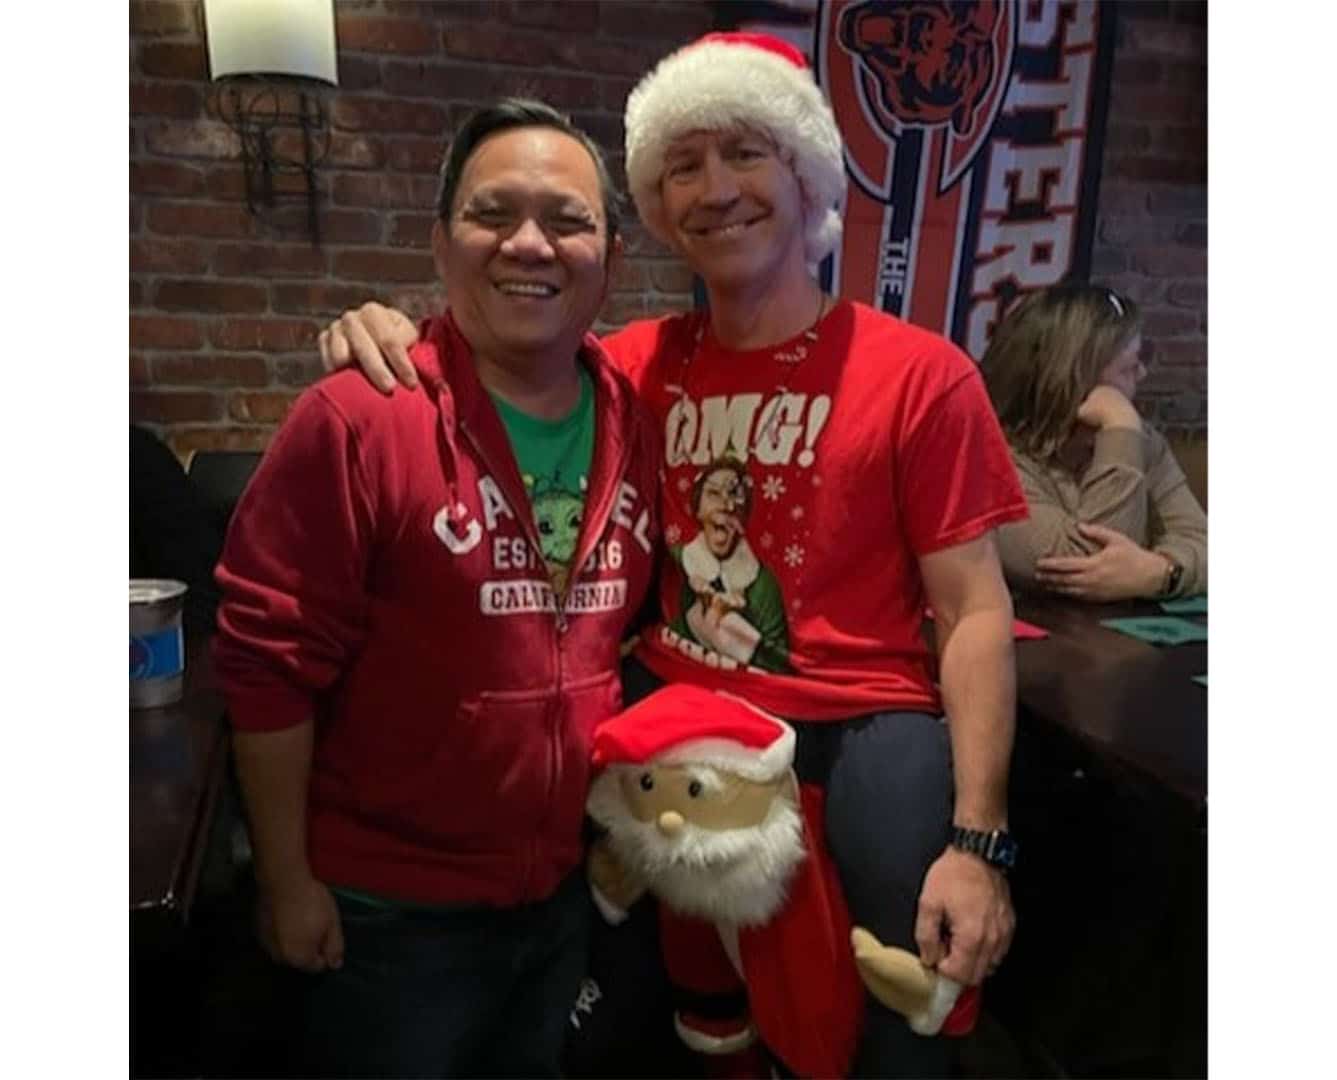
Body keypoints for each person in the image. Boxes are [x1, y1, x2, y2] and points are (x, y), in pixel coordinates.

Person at [317, 32, 1027, 1078]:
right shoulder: (627, 367)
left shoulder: (919, 375)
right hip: (662, 724)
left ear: (804, 174)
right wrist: (379, 328)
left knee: (893, 1026)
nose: (714, 190)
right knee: (625, 1040)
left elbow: (971, 612)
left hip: (861, 730)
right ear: (653, 205)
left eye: (745, 153)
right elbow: (498, 344)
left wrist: (978, 845)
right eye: (680, 166)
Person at [211, 99, 660, 1079]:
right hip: (388, 920)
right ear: (439, 241)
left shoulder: (642, 419)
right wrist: (285, 881)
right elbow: (263, 665)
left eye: (567, 220)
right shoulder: (357, 419)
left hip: (559, 899)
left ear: (611, 255)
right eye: (492, 213)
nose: (529, 244)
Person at [980, 284, 1207, 601]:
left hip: (1116, 643)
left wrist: (1160, 572)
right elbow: (1088, 566)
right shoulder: (988, 456)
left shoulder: (1141, 440)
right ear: (1074, 379)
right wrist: (1119, 428)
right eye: (1129, 367)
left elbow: (1201, 540)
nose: (1142, 374)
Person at [670, 456, 791, 673]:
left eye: (735, 494)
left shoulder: (763, 584)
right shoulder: (677, 560)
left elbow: (779, 665)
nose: (726, 505)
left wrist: (730, 622)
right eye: (714, 493)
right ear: (697, 508)